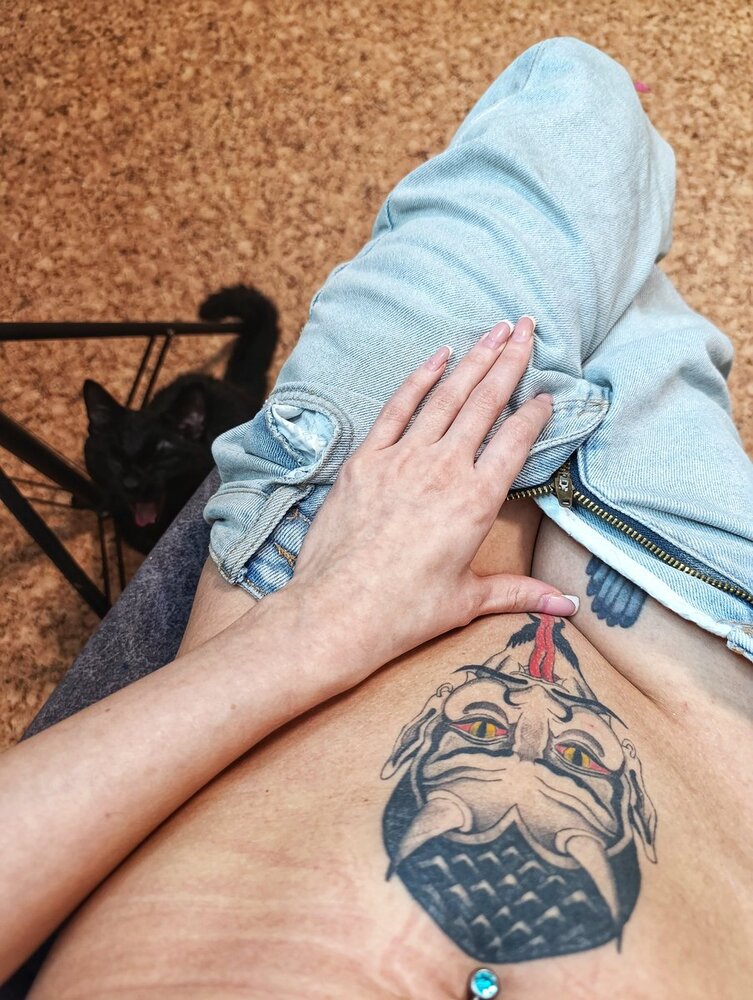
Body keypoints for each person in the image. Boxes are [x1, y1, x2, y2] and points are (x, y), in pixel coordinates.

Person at [2, 37, 752, 1000]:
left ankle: (628, 233)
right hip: (706, 682)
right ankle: (633, 250)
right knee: (640, 299)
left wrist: (320, 620)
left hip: (336, 556)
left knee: (578, 100)